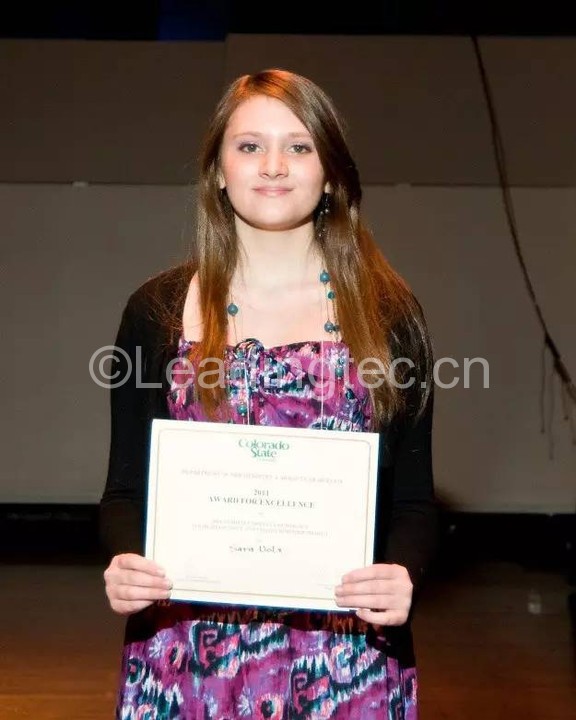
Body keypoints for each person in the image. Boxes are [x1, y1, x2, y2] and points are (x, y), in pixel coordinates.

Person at [100, 68, 437, 719]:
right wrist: (124, 562)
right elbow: (123, 492)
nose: (274, 165)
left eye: (299, 146)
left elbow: (415, 502)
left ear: (331, 173)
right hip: (189, 655)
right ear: (218, 171)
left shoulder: (391, 316)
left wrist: (403, 575)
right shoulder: (156, 311)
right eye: (250, 145)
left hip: (345, 657)